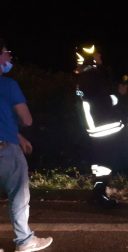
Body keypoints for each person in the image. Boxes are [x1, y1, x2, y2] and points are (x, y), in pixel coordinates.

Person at [0, 38, 53, 252]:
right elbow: (27, 119)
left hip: (8, 140)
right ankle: (24, 240)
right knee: (18, 195)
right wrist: (18, 131)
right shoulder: (8, 85)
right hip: (5, 150)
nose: (9, 57)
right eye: (6, 52)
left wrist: (17, 136)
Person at [74, 44, 128, 207]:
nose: (100, 57)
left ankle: (98, 193)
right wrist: (120, 95)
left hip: (93, 128)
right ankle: (101, 194)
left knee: (100, 163)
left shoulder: (81, 77)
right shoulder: (95, 75)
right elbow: (107, 100)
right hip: (107, 125)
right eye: (97, 56)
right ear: (92, 59)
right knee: (112, 160)